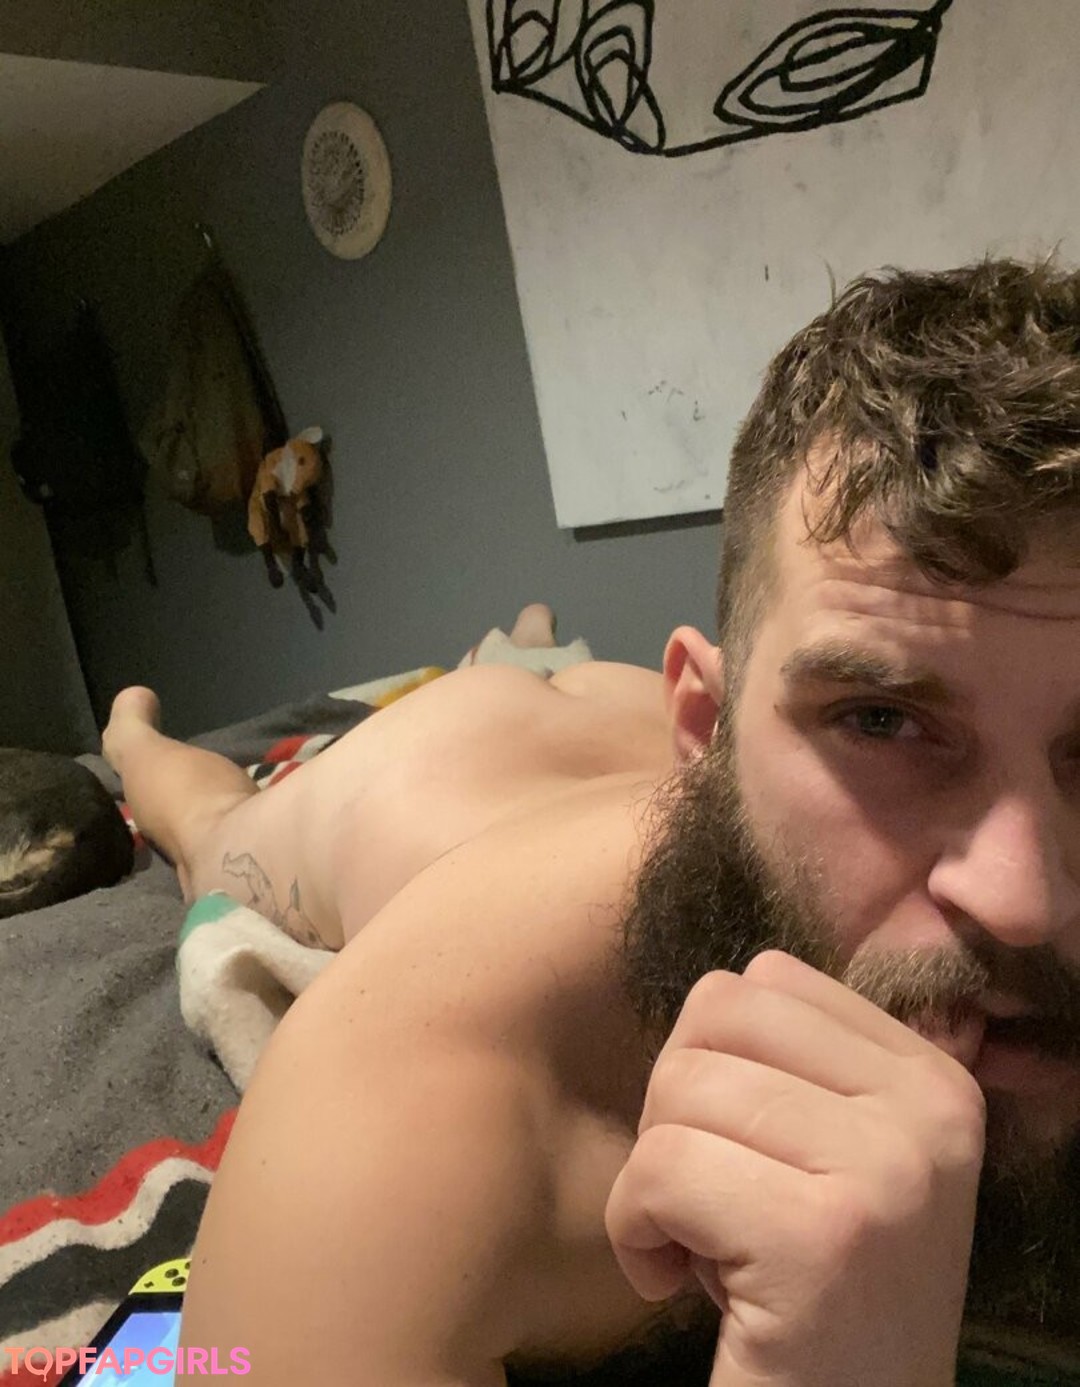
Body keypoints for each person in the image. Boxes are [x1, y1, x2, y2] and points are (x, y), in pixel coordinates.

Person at [103, 259, 1080, 1386]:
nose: (1021, 898)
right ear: (709, 731)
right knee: (211, 822)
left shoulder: (779, 745)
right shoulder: (419, 1114)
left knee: (544, 667)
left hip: (616, 720)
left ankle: (528, 645)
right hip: (426, 777)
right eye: (879, 719)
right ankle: (134, 727)